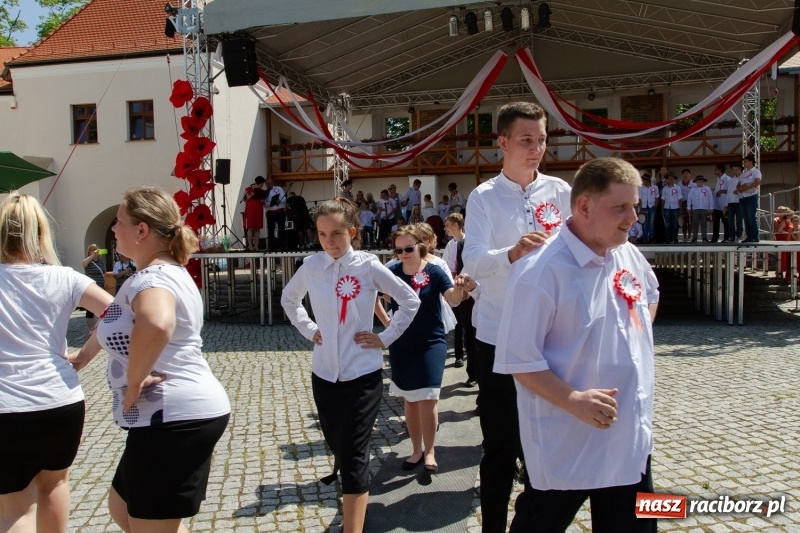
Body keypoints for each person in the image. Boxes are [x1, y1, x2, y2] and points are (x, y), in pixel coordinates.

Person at [495, 157, 659, 533]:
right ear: (583, 206)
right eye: (619, 207)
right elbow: (518, 360)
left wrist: (636, 333)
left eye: (634, 206)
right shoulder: (540, 271)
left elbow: (650, 292)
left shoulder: (627, 252)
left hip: (628, 435)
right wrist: (572, 400)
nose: (632, 217)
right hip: (569, 437)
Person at [70, 186, 231, 533]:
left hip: (173, 418)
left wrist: (133, 381)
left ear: (142, 231)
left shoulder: (153, 278)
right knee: (122, 507)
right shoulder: (154, 274)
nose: (114, 229)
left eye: (120, 222)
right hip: (170, 417)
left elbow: (156, 323)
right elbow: (115, 317)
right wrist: (82, 357)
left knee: (146, 524)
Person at [463, 101, 572, 533]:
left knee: (546, 445)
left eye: (542, 139)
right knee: (500, 448)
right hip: (498, 337)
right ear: (502, 142)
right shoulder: (484, 197)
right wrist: (512, 253)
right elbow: (472, 261)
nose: (536, 148)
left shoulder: (562, 192)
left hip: (550, 339)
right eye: (526, 139)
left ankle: (532, 524)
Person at [281, 198, 420, 533]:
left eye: (337, 233)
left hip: (362, 374)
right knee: (339, 445)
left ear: (352, 231)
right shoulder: (312, 266)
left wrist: (385, 338)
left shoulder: (368, 266)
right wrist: (310, 329)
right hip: (324, 373)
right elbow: (289, 299)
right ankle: (351, 494)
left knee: (355, 451)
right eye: (323, 234)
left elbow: (409, 300)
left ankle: (352, 527)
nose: (330, 241)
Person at [0, 193, 113, 533]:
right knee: (55, 486)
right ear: (40, 234)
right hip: (59, 402)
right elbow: (121, 314)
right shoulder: (66, 277)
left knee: (13, 504)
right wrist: (85, 354)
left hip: (7, 406)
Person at [385, 225, 471, 475]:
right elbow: (373, 297)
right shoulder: (391, 272)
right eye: (399, 249)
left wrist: (461, 287)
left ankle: (430, 451)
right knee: (410, 399)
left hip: (431, 341)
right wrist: (386, 323)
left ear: (420, 247)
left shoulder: (434, 270)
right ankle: (415, 450)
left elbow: (453, 300)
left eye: (409, 248)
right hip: (402, 343)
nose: (403, 253)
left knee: (429, 396)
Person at [443, 213, 477, 383]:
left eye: (448, 225)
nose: (445, 228)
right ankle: (459, 356)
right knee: (458, 327)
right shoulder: (450, 245)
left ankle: (474, 372)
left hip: (471, 292)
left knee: (471, 332)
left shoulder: (469, 242)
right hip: (458, 290)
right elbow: (449, 269)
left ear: (456, 225)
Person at [736, 154, 762, 243]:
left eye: (746, 161)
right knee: (746, 217)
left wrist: (745, 188)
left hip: (751, 196)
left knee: (751, 216)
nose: (744, 163)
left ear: (750, 162)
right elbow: (738, 184)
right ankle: (749, 236)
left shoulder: (756, 171)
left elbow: (757, 182)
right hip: (743, 197)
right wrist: (740, 188)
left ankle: (755, 236)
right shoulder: (743, 174)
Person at [82, 243, 108, 330]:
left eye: (96, 249)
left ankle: (99, 327)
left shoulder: (100, 262)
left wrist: (105, 281)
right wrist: (92, 255)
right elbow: (83, 264)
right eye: (92, 249)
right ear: (89, 252)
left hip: (101, 286)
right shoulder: (89, 261)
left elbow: (104, 272)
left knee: (101, 307)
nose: (94, 251)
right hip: (92, 287)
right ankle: (90, 329)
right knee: (90, 309)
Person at [243, 176, 267, 251]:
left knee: (257, 228)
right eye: (262, 184)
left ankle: (256, 245)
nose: (262, 185)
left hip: (258, 209)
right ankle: (250, 245)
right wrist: (251, 195)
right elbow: (244, 199)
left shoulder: (262, 191)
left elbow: (264, 200)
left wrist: (263, 201)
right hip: (251, 209)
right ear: (259, 183)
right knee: (250, 228)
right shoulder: (249, 189)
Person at [687, 175, 713, 243]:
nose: (700, 183)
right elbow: (689, 198)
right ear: (696, 182)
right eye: (698, 182)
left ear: (703, 182)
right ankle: (694, 238)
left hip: (704, 208)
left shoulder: (707, 188)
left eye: (701, 181)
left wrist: (711, 207)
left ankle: (704, 237)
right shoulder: (693, 189)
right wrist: (689, 207)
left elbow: (710, 198)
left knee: (704, 223)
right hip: (695, 208)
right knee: (695, 223)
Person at [265, 176, 287, 251]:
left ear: (272, 183)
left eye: (270, 183)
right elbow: (264, 204)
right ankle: (271, 246)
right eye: (267, 183)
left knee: (282, 229)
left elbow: (284, 198)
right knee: (271, 230)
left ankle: (283, 245)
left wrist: (279, 201)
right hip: (270, 212)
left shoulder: (278, 188)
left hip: (280, 211)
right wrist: (271, 203)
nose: (269, 185)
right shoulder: (265, 192)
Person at [723, 162, 744, 242]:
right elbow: (728, 192)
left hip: (739, 201)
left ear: (741, 169)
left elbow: (745, 189)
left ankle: (739, 236)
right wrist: (726, 204)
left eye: (737, 169)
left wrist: (738, 191)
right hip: (731, 202)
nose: (735, 171)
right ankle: (731, 236)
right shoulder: (731, 180)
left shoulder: (743, 178)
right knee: (730, 220)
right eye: (734, 169)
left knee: (739, 220)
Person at [660, 172, 682, 244]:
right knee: (667, 224)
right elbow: (663, 199)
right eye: (670, 178)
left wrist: (680, 209)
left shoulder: (678, 188)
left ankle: (675, 238)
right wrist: (662, 209)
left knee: (675, 224)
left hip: (675, 207)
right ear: (667, 180)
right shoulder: (664, 188)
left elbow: (680, 198)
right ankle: (667, 239)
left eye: (673, 178)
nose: (671, 180)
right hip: (667, 207)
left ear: (675, 180)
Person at [711, 164, 730, 243]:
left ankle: (727, 237)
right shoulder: (718, 179)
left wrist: (721, 191)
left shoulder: (727, 179)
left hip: (724, 205)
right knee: (715, 222)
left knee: (725, 221)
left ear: (720, 170)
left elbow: (730, 191)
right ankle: (715, 237)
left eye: (716, 169)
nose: (715, 171)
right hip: (716, 205)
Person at [638, 174, 659, 244]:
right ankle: (645, 237)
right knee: (644, 223)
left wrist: (656, 204)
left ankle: (651, 238)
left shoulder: (655, 187)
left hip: (651, 206)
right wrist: (640, 208)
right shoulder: (641, 188)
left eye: (644, 180)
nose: (643, 181)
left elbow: (657, 196)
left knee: (651, 223)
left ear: (647, 180)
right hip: (644, 206)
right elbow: (639, 198)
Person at [773, 206, 793, 278]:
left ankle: (787, 272)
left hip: (789, 240)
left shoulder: (788, 220)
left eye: (781, 211)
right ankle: (779, 271)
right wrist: (788, 233)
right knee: (782, 256)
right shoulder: (777, 220)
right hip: (781, 239)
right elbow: (778, 230)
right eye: (778, 211)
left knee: (788, 257)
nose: (779, 213)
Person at [678, 168, 694, 242]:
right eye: (684, 174)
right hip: (683, 203)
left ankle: (690, 236)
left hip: (691, 204)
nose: (686, 175)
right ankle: (684, 237)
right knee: (684, 221)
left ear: (689, 175)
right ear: (682, 175)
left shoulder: (693, 183)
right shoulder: (679, 184)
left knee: (690, 221)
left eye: (687, 173)